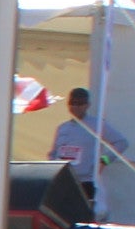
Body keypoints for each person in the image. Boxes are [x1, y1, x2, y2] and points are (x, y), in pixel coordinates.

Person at [49, 87, 128, 220]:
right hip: (64, 181)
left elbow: (121, 142)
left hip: (85, 181)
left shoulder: (96, 125)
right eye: (73, 103)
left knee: (83, 217)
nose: (76, 107)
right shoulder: (63, 128)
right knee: (62, 218)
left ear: (87, 105)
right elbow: (53, 153)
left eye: (80, 103)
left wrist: (104, 160)